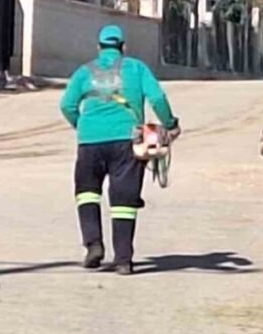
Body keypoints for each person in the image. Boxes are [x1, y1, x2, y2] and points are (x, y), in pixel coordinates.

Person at [59, 25, 180, 275]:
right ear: (123, 47)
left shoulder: (84, 71)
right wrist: (170, 125)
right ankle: (123, 260)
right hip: (127, 141)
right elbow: (157, 98)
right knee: (124, 200)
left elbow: (67, 105)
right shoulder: (136, 68)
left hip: (89, 142)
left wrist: (82, 126)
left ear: (99, 47)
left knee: (87, 193)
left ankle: (93, 245)